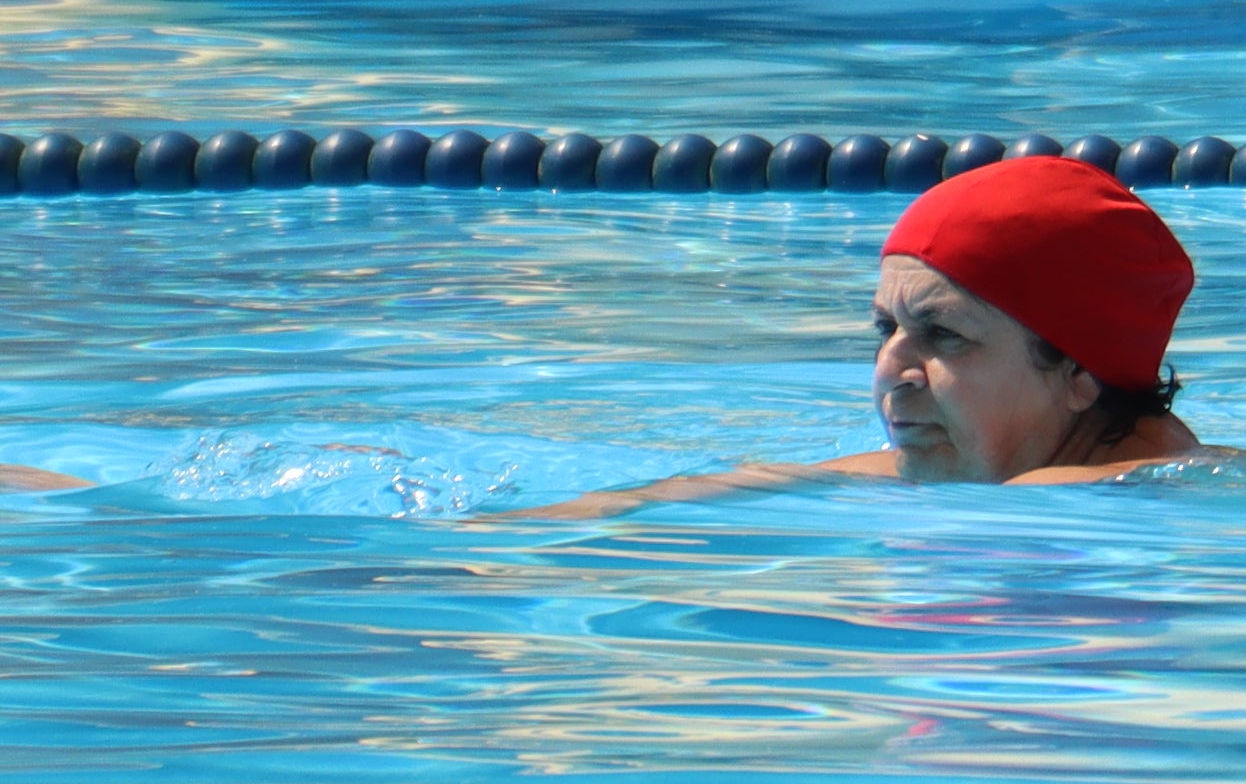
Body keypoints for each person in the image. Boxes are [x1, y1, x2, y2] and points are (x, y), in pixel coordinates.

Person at [496, 152, 1202, 519]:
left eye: (943, 335)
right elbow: (775, 480)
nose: (892, 368)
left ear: (1078, 371)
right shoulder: (1002, 464)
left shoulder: (1095, 495)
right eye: (886, 327)